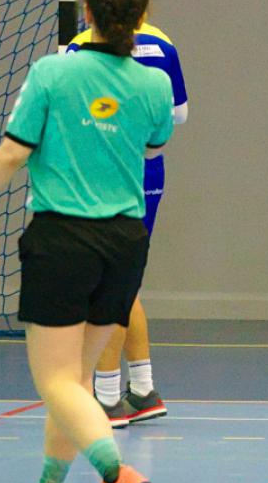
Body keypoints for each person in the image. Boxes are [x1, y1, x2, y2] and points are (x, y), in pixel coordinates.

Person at [0, 0, 174, 483]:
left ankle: (115, 475)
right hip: (126, 244)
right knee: (75, 383)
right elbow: (154, 142)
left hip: (63, 240)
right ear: (139, 15)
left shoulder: (53, 73)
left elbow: (12, 153)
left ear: (88, 12)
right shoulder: (155, 84)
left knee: (54, 383)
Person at [67, 23, 188, 426]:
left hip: (105, 177)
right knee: (125, 282)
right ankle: (142, 390)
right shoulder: (162, 42)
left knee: (106, 285)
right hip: (149, 172)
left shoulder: (82, 47)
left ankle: (105, 396)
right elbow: (178, 117)